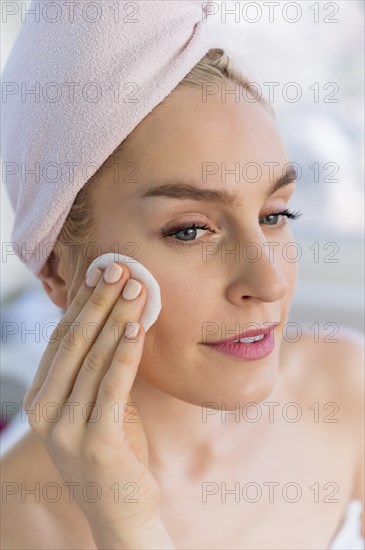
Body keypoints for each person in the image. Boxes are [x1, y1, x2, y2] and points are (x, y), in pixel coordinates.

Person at [1, 48, 364, 550]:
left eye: (275, 215)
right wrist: (127, 527)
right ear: (58, 273)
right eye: (191, 231)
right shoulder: (16, 518)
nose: (270, 282)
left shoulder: (344, 384)